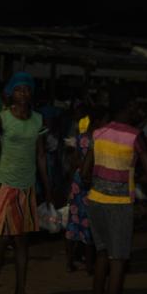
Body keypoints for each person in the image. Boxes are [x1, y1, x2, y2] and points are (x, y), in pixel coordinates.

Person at [83, 96, 147, 294]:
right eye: (136, 106)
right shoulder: (135, 136)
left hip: (96, 200)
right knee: (118, 263)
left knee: (103, 254)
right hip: (119, 205)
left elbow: (84, 171)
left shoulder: (99, 132)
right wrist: (133, 184)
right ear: (126, 108)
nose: (139, 110)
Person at [0, 72, 52, 294]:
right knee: (1, 240)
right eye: (19, 89)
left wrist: (48, 187)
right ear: (11, 92)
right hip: (5, 184)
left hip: (27, 186)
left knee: (22, 241)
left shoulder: (38, 121)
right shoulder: (1, 119)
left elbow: (41, 156)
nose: (23, 94)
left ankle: (20, 290)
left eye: (27, 90)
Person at [64, 105, 99, 273]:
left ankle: (70, 261)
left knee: (73, 221)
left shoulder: (81, 137)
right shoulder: (98, 140)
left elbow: (74, 161)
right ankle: (90, 265)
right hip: (91, 183)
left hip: (78, 182)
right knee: (88, 224)